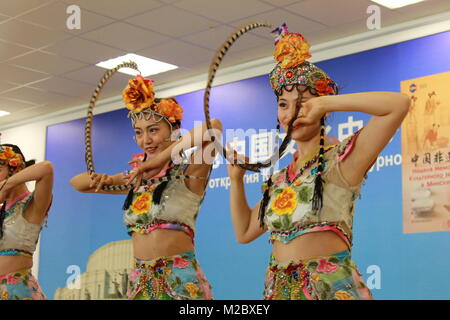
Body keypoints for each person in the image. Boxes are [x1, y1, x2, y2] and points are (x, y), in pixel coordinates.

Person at [227, 24, 409, 300]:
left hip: (331, 290)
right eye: (284, 104)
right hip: (280, 291)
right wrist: (236, 180)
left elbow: (398, 104)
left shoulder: (342, 161)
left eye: (303, 104)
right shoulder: (279, 180)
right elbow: (244, 232)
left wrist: (327, 104)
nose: (292, 113)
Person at [71, 75, 222, 300]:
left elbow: (214, 128)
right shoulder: (136, 179)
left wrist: (161, 159)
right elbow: (78, 183)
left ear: (175, 130)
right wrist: (109, 180)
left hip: (179, 281)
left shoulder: (190, 171)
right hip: (141, 282)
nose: (146, 140)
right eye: (139, 132)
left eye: (153, 130)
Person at [0, 144, 53, 300]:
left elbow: (46, 169)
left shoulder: (32, 203)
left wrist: (5, 186)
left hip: (18, 291)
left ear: (16, 169)